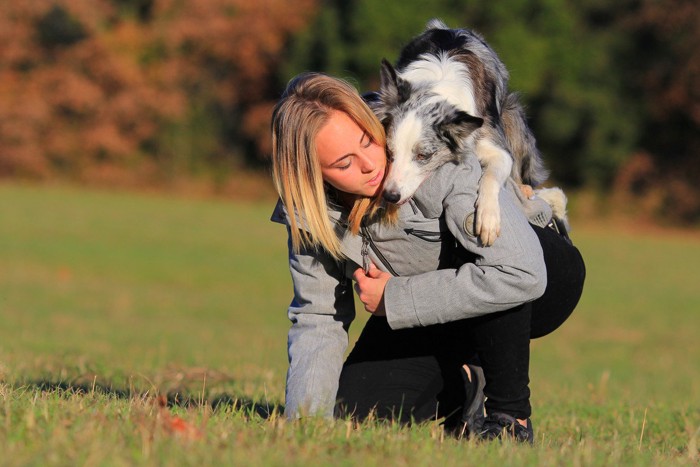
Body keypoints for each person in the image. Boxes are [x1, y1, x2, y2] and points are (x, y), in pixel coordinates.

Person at [270, 72, 585, 442]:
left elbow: (519, 273)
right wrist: (305, 425)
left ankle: (508, 418)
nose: (371, 164)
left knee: (484, 258)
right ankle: (468, 380)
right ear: (312, 175)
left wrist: (394, 298)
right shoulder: (309, 213)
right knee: (355, 409)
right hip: (436, 310)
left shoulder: (431, 147)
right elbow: (318, 317)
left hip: (538, 273)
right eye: (344, 164)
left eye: (368, 140)